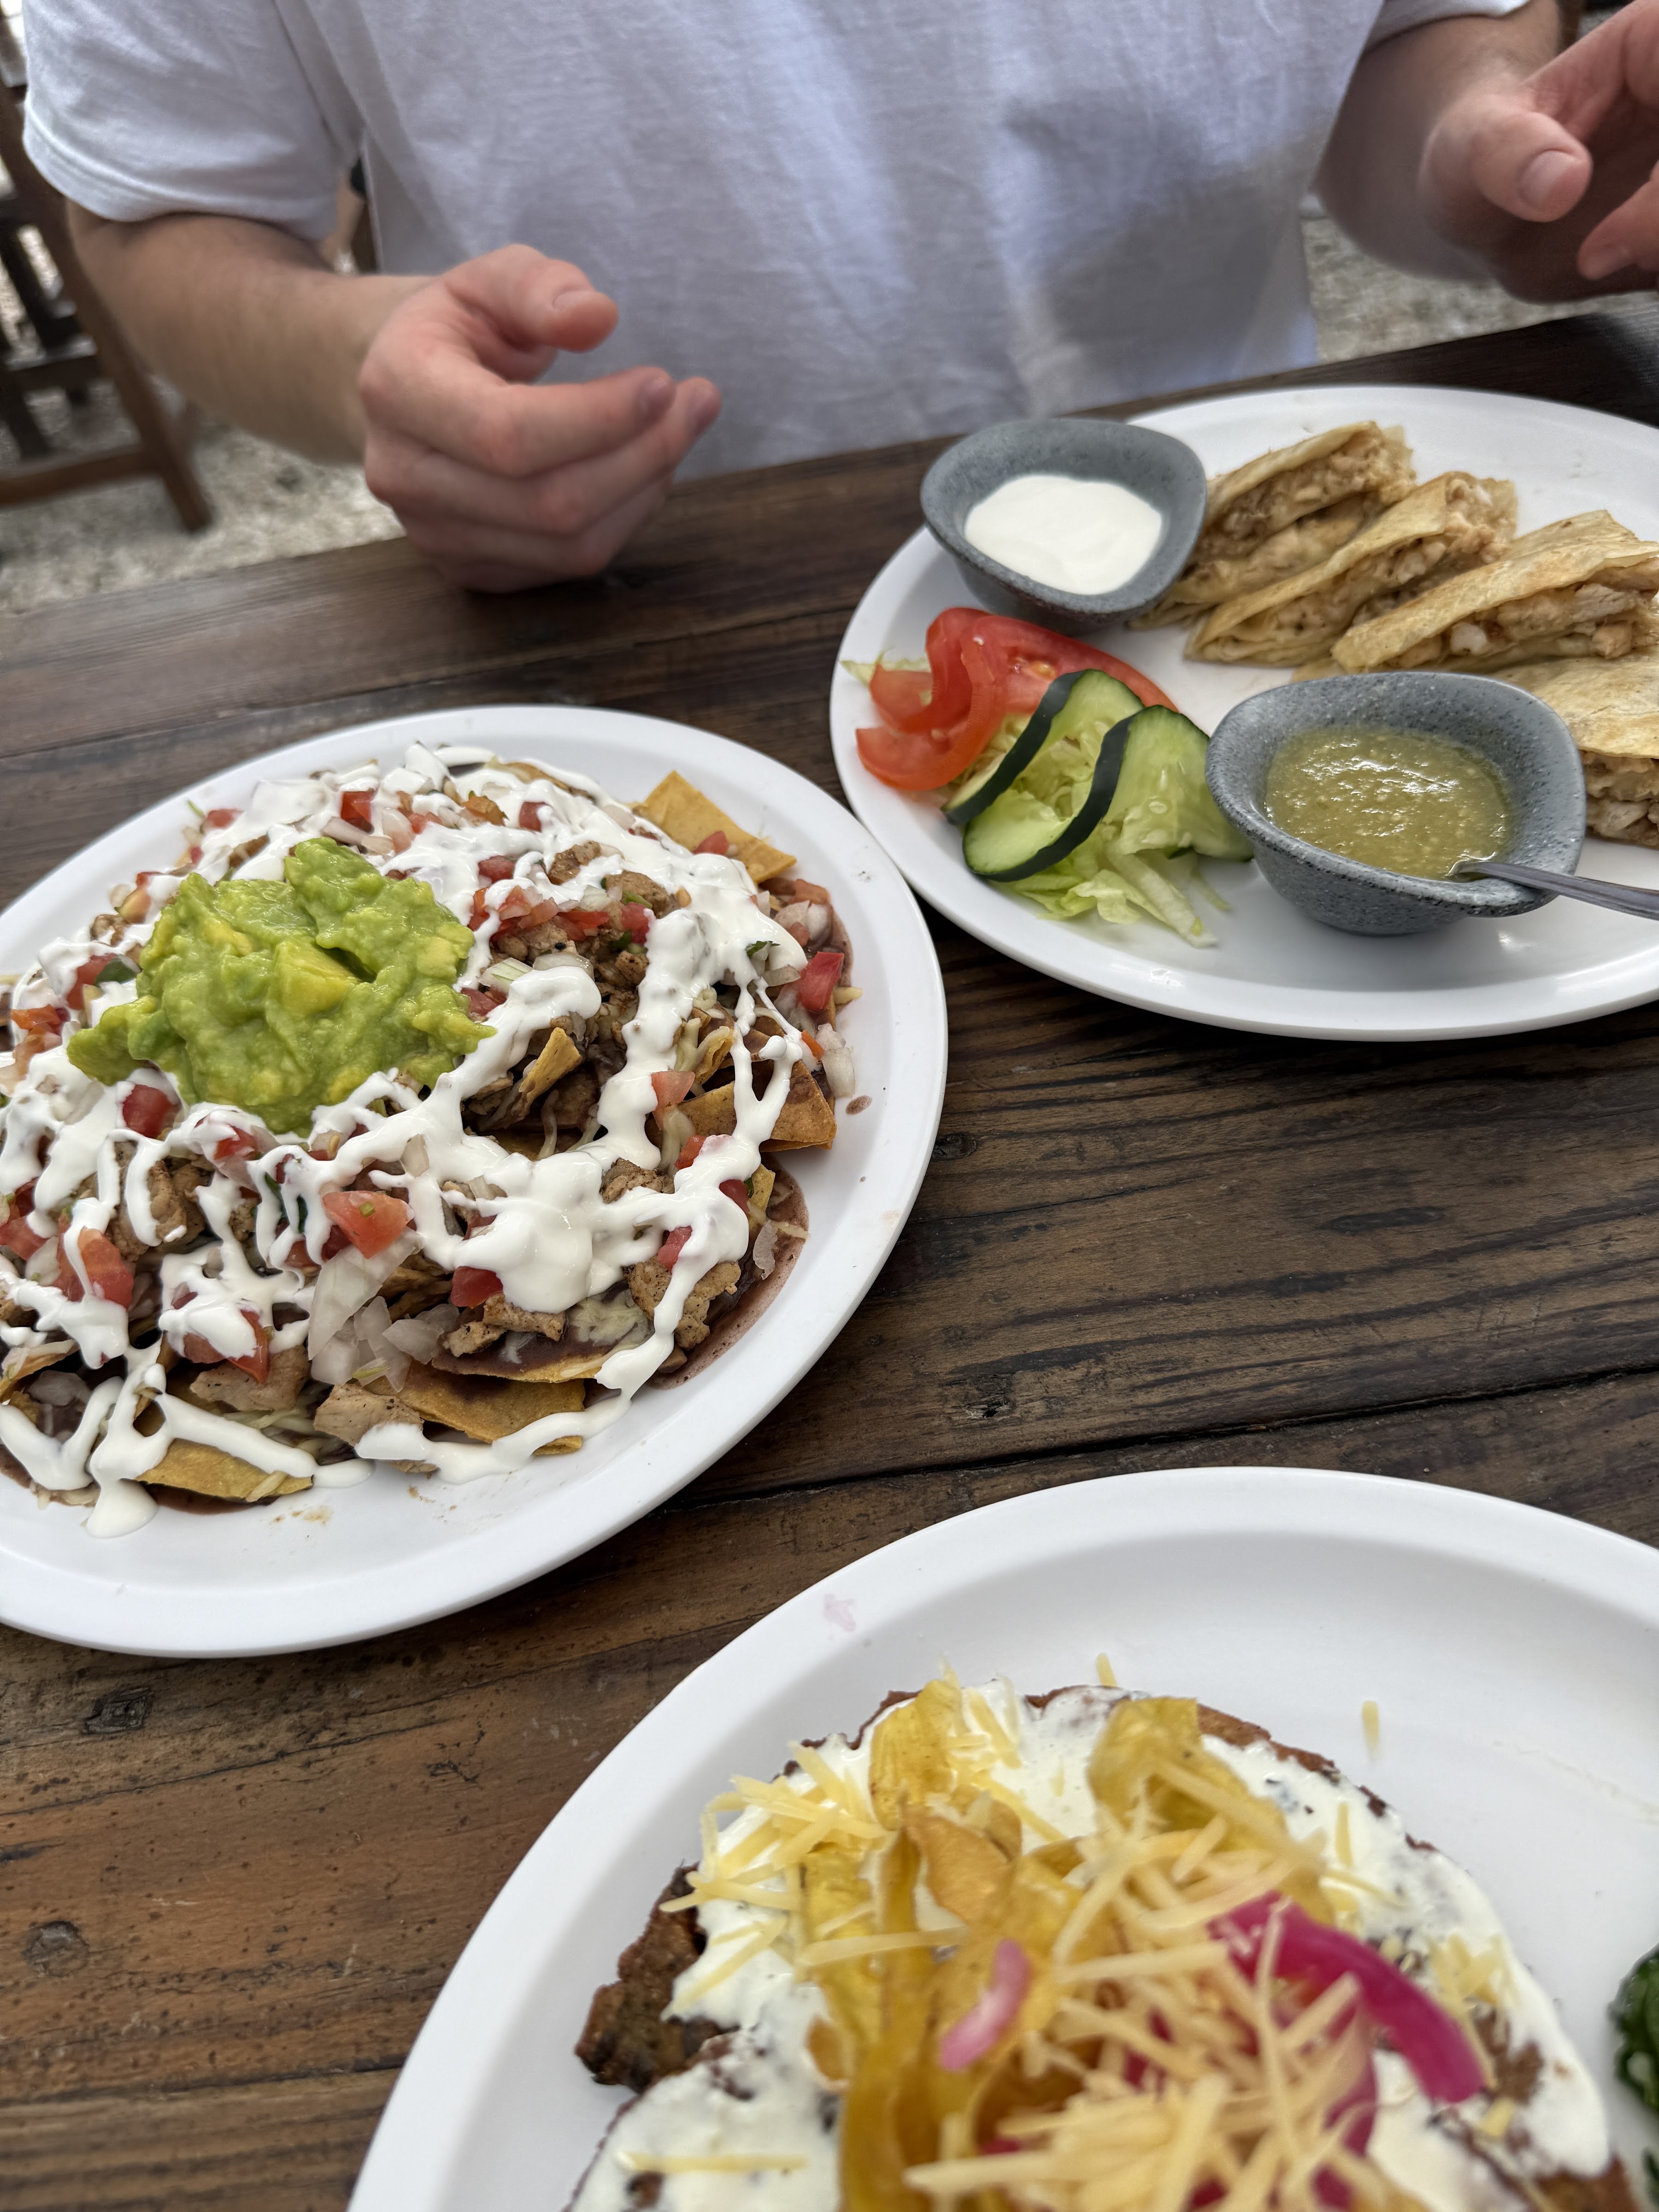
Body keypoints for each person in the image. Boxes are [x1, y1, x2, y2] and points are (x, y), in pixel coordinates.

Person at [18, 0, 1659, 593]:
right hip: (624, 603)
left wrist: (1496, 165)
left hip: (1244, 551)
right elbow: (166, 216)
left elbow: (1407, 41)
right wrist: (360, 357)